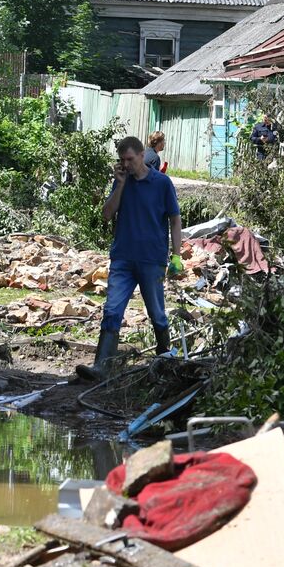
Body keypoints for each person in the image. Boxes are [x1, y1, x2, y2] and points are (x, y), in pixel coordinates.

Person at [76, 136, 182, 382]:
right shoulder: (121, 182)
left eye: (130, 159)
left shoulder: (162, 183)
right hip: (123, 258)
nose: (126, 164)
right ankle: (102, 367)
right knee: (112, 309)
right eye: (122, 160)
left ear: (142, 155)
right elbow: (106, 214)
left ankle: (163, 359)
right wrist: (120, 184)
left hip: (152, 259)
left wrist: (177, 254)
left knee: (157, 313)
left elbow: (175, 219)